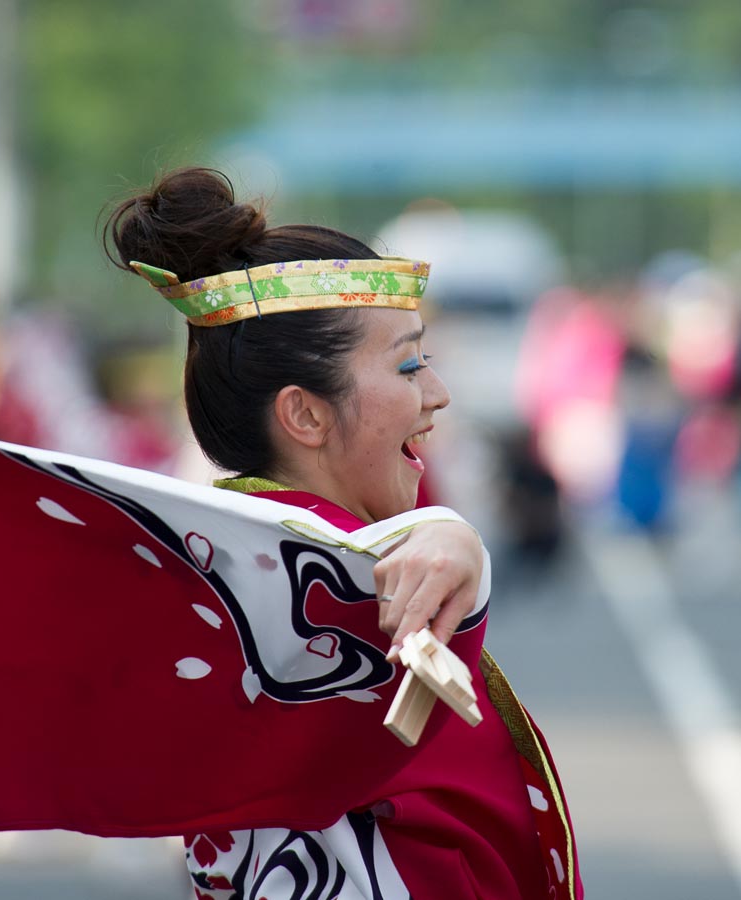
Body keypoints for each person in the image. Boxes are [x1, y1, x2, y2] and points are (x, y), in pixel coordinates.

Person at [103, 167, 582, 900]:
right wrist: (449, 539)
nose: (438, 393)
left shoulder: (197, 573)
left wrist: (448, 537)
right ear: (305, 415)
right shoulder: (307, 596)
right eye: (410, 364)